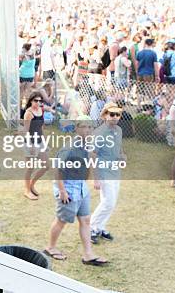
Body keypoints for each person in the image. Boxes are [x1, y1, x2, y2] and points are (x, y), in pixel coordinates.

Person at [44, 116, 108, 266]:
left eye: (90, 127)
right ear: (76, 128)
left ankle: (88, 254)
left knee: (86, 220)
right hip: (68, 189)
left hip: (81, 187)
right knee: (62, 220)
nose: (87, 130)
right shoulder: (70, 148)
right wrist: (62, 191)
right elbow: (57, 170)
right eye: (84, 127)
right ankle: (50, 247)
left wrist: (94, 178)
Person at [90, 102, 126, 244]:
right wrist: (96, 178)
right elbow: (92, 155)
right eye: (112, 114)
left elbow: (119, 147)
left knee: (111, 202)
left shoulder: (118, 130)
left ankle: (100, 227)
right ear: (105, 115)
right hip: (103, 171)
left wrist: (122, 156)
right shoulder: (99, 133)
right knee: (108, 202)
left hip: (115, 171)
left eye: (117, 114)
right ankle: (91, 228)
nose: (115, 117)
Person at [22, 91, 53, 200]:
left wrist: (44, 142)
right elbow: (25, 130)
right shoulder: (28, 113)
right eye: (36, 100)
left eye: (40, 101)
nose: (38, 102)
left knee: (46, 166)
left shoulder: (41, 110)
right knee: (30, 167)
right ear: (31, 101)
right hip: (30, 142)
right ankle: (26, 190)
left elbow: (41, 128)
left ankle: (31, 185)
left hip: (40, 142)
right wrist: (30, 145)